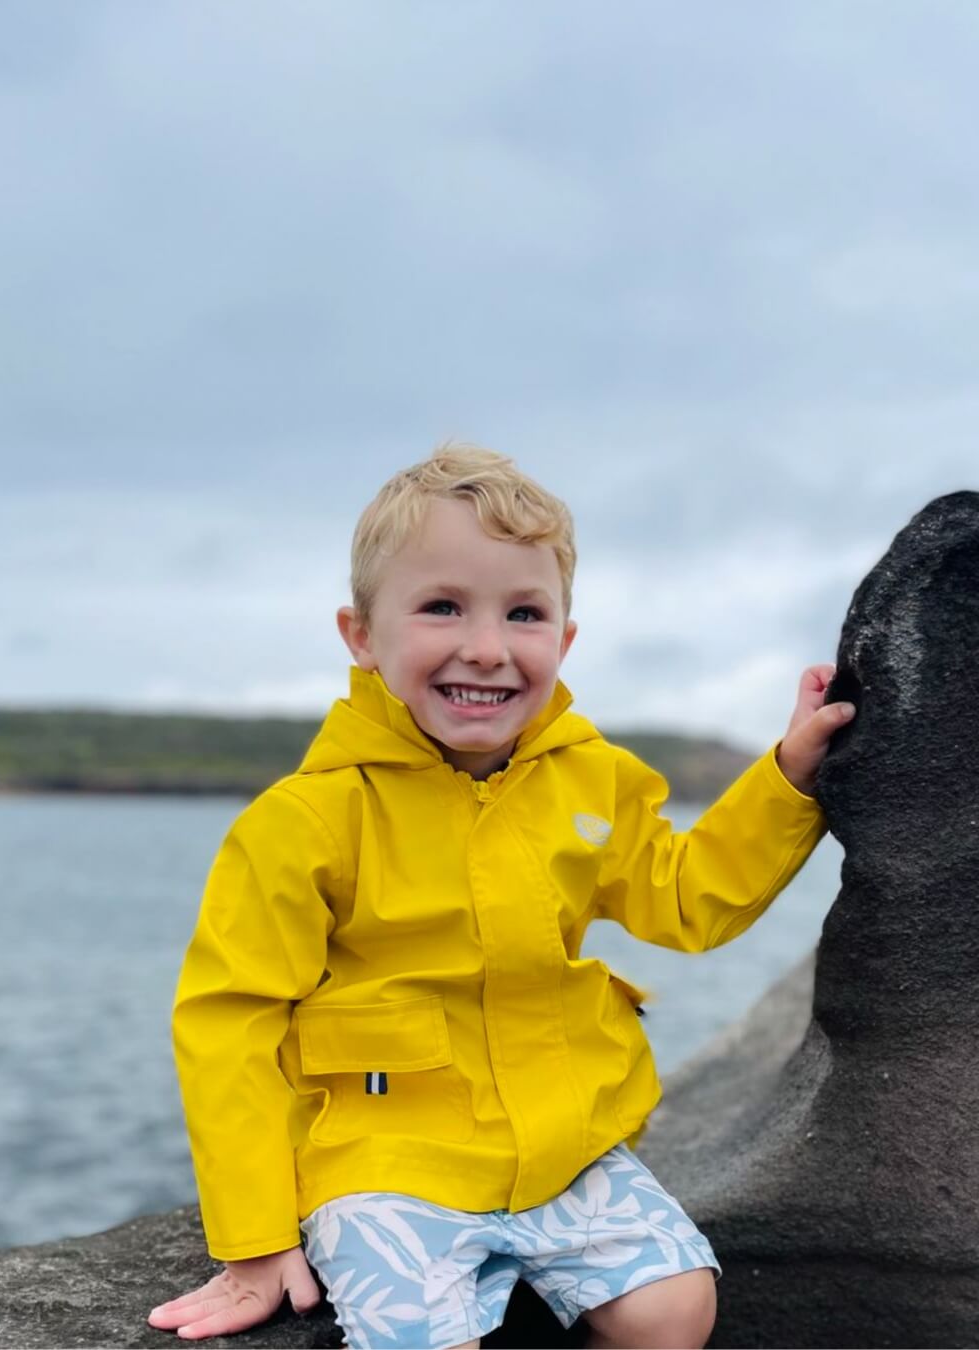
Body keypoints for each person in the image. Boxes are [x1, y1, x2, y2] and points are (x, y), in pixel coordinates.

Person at [148, 445, 854, 1349]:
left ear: (562, 642)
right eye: (442, 606)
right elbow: (228, 1023)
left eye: (524, 613)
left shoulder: (594, 783)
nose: (486, 647)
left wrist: (787, 779)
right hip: (381, 1159)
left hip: (560, 1147)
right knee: (423, 1339)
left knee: (675, 1309)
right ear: (361, 634)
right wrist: (253, 1238)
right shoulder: (306, 821)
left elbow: (689, 899)